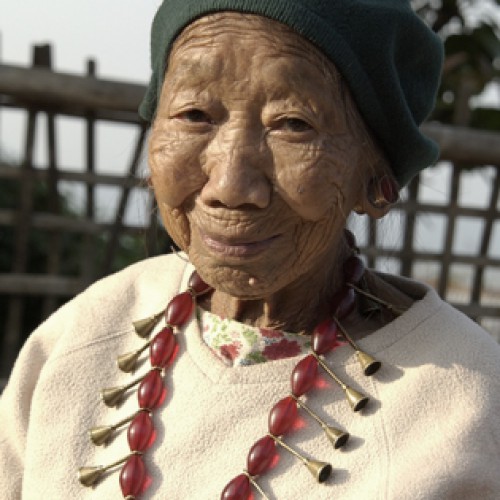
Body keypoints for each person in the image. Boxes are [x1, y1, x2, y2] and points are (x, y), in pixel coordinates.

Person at [1, 1, 499, 499]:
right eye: (194, 114)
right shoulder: (84, 334)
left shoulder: (466, 405)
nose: (230, 184)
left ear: (377, 181)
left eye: (293, 124)